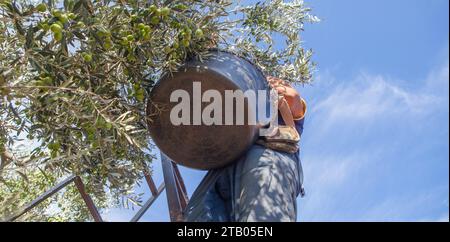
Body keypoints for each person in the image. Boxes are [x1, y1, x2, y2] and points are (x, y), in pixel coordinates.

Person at [184, 76, 307, 222]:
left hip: (267, 153)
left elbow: (292, 97)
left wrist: (266, 84)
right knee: (199, 211)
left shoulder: (285, 101)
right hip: (228, 163)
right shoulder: (246, 108)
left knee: (262, 213)